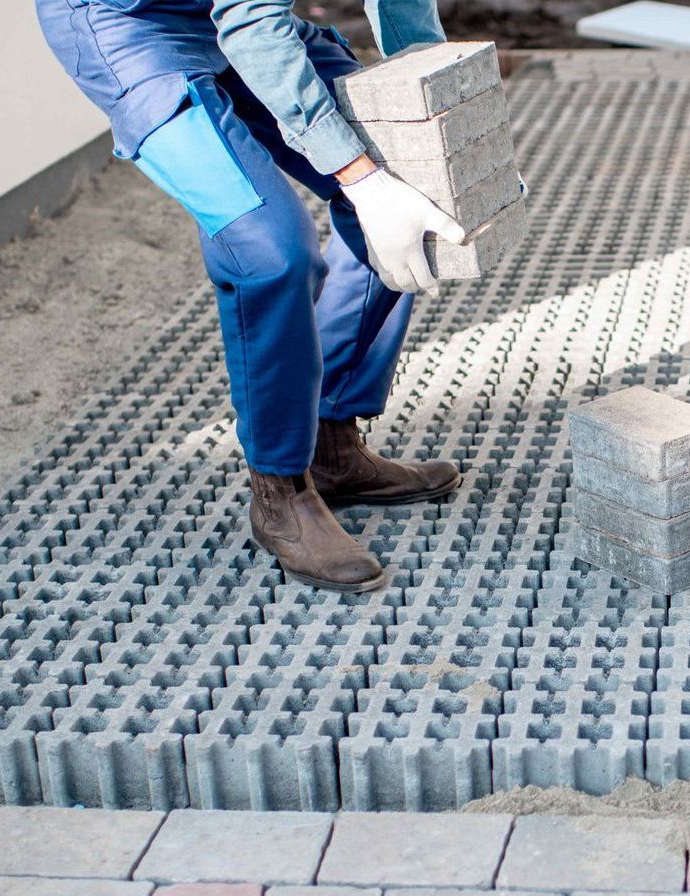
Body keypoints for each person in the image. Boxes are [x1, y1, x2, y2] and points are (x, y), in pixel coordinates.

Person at [35, 0, 466, 592]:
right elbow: (251, 24)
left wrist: (435, 96)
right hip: (131, 27)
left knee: (412, 170)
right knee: (270, 253)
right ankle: (280, 491)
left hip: (229, 11)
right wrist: (359, 178)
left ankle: (331, 448)